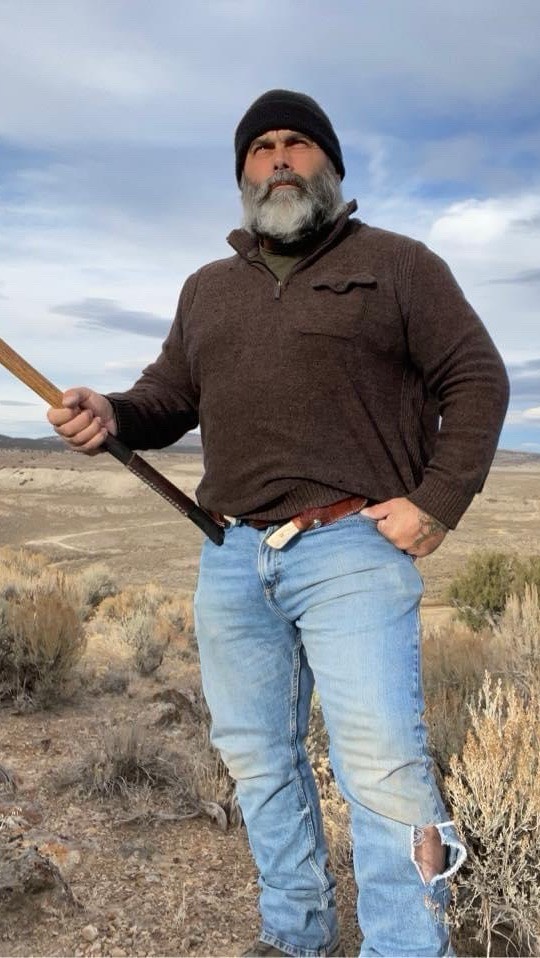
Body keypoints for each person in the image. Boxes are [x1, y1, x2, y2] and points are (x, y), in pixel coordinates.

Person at [48, 90, 510, 957]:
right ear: (244, 175)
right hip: (231, 554)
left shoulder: (399, 265)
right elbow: (167, 398)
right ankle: (296, 934)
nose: (280, 159)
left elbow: (478, 377)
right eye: (261, 148)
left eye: (298, 143)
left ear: (330, 164)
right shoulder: (206, 290)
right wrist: (110, 411)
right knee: (258, 757)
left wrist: (438, 500)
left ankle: (407, 948)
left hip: (352, 548)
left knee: (382, 765)